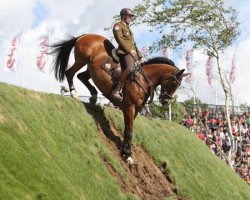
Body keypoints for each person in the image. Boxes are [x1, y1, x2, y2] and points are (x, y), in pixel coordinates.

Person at [111, 8, 142, 101]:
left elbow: (132, 42)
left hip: (132, 52)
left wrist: (138, 53)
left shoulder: (128, 28)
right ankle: (116, 90)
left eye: (131, 17)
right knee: (129, 69)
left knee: (139, 71)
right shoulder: (118, 26)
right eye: (129, 16)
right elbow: (120, 40)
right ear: (124, 16)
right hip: (124, 52)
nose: (130, 18)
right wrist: (130, 51)